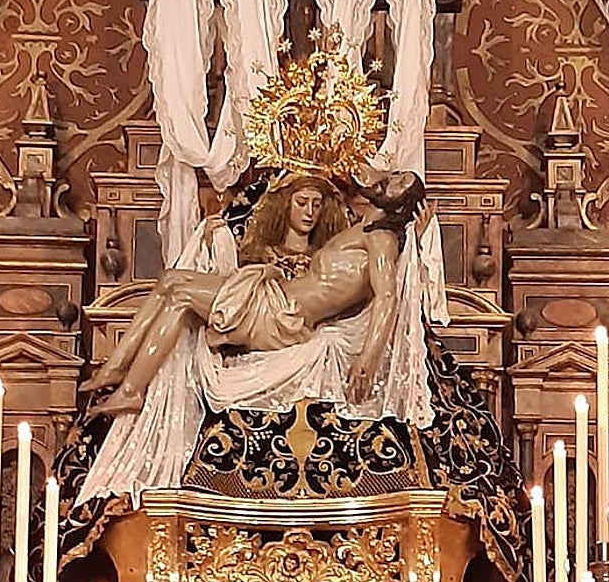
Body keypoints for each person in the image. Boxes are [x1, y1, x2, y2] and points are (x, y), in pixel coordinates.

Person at [82, 171, 425, 416]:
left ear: (400, 205)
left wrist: (367, 359)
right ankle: (122, 379)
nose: (391, 179)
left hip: (280, 315)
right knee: (174, 292)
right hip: (272, 297)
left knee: (177, 288)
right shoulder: (360, 230)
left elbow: (388, 298)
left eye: (399, 184)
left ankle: (124, 381)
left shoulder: (382, 240)